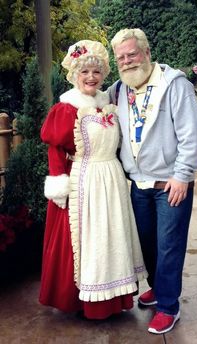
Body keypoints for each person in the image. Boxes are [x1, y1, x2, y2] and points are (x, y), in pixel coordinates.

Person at [39, 39, 147, 320]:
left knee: (112, 238)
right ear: (74, 74)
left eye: (96, 72)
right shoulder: (66, 106)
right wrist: (59, 183)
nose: (90, 77)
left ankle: (115, 298)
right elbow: (55, 149)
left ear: (103, 74)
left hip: (111, 179)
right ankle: (87, 301)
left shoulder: (108, 100)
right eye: (84, 72)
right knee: (90, 240)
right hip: (84, 182)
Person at [108, 28, 197, 334]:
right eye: (120, 57)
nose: (126, 61)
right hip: (139, 183)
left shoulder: (173, 84)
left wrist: (183, 176)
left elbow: (192, 133)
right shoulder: (119, 90)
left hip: (170, 184)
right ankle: (156, 288)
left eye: (132, 54)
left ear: (147, 53)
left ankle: (168, 306)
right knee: (147, 243)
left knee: (168, 246)